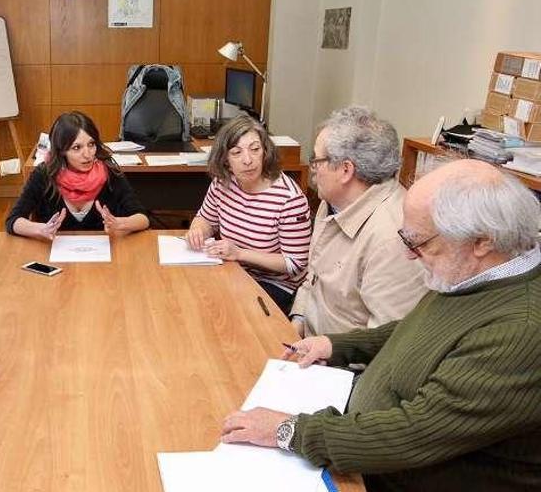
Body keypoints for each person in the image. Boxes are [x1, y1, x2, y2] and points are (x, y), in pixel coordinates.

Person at [220, 160, 541, 491]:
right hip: (362, 434)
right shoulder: (477, 273)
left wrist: (288, 431)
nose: (409, 255)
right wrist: (338, 346)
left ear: (482, 241)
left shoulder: (521, 330)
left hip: (392, 473)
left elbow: (413, 434)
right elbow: (420, 331)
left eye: (420, 242)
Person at [290, 106, 426, 337]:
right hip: (308, 344)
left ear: (345, 170)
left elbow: (385, 343)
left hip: (340, 366)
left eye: (317, 160)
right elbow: (312, 280)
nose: (313, 169)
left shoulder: (392, 238)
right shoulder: (333, 201)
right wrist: (295, 325)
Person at [184, 115, 311, 312]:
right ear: (225, 160)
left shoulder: (289, 198)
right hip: (233, 270)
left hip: (276, 284)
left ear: (265, 152)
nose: (248, 160)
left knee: (222, 311)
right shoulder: (222, 182)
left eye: (255, 149)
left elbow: (295, 263)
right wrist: (197, 230)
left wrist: (240, 254)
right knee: (192, 296)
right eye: (236, 152)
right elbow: (206, 219)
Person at [5, 111, 150, 240]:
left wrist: (121, 224)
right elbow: (13, 220)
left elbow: (143, 218)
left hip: (103, 258)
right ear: (62, 151)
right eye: (77, 147)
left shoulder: (109, 171)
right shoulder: (43, 174)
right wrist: (41, 229)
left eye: (91, 144)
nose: (87, 154)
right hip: (56, 258)